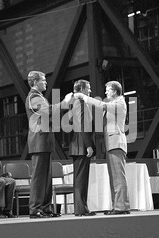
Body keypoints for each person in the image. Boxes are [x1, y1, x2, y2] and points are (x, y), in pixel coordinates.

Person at [74, 81, 130, 215]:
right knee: (114, 177)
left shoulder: (119, 103)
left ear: (115, 91)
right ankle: (117, 205)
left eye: (108, 90)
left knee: (118, 177)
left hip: (116, 143)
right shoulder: (115, 103)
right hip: (112, 144)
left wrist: (84, 98)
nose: (106, 93)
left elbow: (102, 105)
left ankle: (121, 207)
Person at [25, 70, 73, 218]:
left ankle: (45, 208)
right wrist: (64, 103)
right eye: (43, 80)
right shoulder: (33, 97)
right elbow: (48, 111)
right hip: (39, 140)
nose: (46, 82)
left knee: (46, 177)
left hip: (44, 141)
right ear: (35, 82)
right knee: (39, 177)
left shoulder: (39, 97)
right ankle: (35, 209)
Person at [69, 80, 95, 217]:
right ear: (82, 89)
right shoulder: (80, 102)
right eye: (88, 88)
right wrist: (89, 145)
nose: (90, 91)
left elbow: (71, 121)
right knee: (81, 179)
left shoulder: (74, 102)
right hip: (81, 145)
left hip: (77, 143)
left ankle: (82, 208)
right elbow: (83, 125)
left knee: (81, 179)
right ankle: (81, 209)